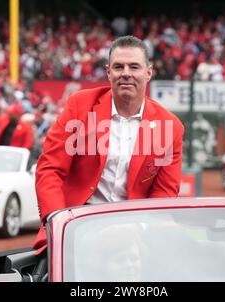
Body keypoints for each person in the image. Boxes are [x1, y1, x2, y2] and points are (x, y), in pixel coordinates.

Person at [33, 36, 185, 251]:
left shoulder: (170, 126)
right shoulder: (79, 106)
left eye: (134, 66)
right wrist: (58, 223)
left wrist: (137, 231)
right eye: (118, 67)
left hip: (136, 230)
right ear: (108, 72)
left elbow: (164, 193)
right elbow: (50, 169)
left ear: (148, 73)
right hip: (76, 224)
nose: (126, 73)